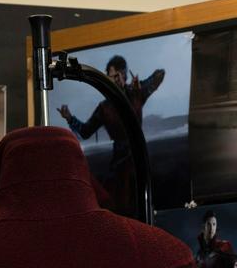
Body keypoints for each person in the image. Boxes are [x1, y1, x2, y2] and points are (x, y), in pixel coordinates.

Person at [57, 54, 165, 213]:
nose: (111, 81)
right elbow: (86, 131)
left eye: (115, 76)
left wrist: (139, 87)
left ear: (123, 75)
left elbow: (160, 75)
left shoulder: (136, 93)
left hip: (139, 158)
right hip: (120, 163)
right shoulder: (104, 108)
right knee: (120, 206)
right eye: (109, 77)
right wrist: (69, 118)